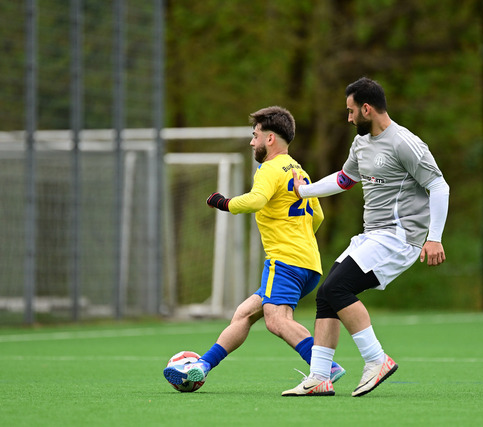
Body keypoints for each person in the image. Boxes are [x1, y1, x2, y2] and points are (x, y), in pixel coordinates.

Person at [281, 77, 449, 397]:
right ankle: (319, 377)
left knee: (337, 287)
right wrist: (305, 191)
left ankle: (377, 360)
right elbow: (345, 179)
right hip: (373, 236)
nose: (348, 118)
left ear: (367, 109)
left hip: (399, 237)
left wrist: (435, 237)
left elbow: (439, 186)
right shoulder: (361, 143)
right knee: (325, 295)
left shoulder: (404, 143)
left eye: (351, 111)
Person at [163, 106, 345, 390]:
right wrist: (298, 238)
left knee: (276, 320)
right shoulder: (299, 170)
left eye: (255, 135)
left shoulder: (269, 169)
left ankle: (325, 367)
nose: (251, 142)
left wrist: (224, 203)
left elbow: (256, 200)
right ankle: (202, 365)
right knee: (245, 313)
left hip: (285, 261)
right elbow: (318, 216)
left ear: (270, 139)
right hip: (309, 263)